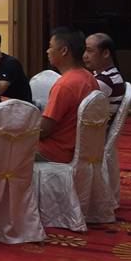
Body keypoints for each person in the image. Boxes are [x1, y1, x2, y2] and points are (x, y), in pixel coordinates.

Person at [38, 28, 100, 163]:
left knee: (2, 147)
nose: (47, 51)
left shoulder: (64, 85)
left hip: (55, 152)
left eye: (50, 47)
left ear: (64, 51)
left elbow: (43, 130)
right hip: (81, 150)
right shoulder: (89, 77)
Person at [84, 33, 126, 118]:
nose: (85, 56)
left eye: (89, 51)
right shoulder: (109, 75)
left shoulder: (106, 80)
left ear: (106, 53)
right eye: (84, 51)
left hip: (96, 126)